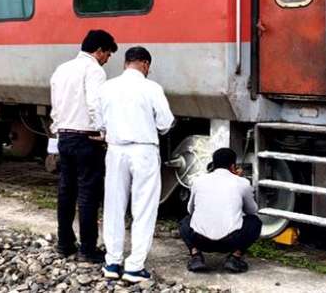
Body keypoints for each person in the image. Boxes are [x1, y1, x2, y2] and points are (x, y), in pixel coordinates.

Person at [97, 46, 174, 283]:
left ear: (125, 63)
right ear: (145, 64)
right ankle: (134, 267)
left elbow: (100, 123)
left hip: (116, 150)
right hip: (143, 150)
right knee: (143, 209)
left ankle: (112, 262)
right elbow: (165, 122)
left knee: (114, 206)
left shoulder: (107, 87)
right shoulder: (152, 88)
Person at [50, 29, 118, 263]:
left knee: (66, 192)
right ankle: (88, 249)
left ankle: (64, 244)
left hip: (64, 136)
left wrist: (57, 128)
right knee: (88, 194)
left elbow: (55, 105)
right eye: (107, 54)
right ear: (98, 50)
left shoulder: (62, 69)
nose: (107, 59)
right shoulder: (94, 70)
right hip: (86, 139)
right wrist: (103, 131)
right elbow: (94, 104)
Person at [179, 147, 262, 273]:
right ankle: (235, 257)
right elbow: (252, 210)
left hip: (200, 241)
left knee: (185, 222)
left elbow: (190, 210)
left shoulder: (198, 181)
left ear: (213, 164)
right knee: (254, 222)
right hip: (230, 242)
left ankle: (196, 256)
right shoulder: (242, 183)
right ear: (233, 166)